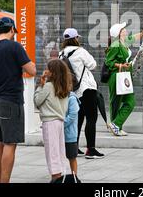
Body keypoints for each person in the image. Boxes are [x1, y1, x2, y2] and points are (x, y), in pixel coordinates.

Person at [0, 17, 36, 183]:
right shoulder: (14, 47)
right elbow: (31, 70)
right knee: (10, 143)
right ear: (11, 30)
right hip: (11, 100)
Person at [59, 28, 104, 159]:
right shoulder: (80, 51)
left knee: (77, 120)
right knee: (91, 118)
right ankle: (91, 150)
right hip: (86, 89)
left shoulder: (62, 54)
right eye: (77, 37)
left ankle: (74, 147)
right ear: (75, 38)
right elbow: (93, 65)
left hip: (73, 91)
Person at [34, 59, 70, 182]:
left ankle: (55, 177)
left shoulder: (48, 86)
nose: (46, 70)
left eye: (48, 69)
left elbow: (37, 101)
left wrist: (40, 85)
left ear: (53, 72)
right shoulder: (64, 86)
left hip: (49, 121)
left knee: (51, 150)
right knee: (59, 150)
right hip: (59, 121)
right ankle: (60, 174)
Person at [105, 22, 142, 137]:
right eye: (123, 29)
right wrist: (121, 65)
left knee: (130, 102)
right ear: (119, 33)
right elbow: (108, 62)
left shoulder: (123, 42)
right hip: (116, 75)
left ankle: (116, 124)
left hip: (124, 76)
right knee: (115, 103)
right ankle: (117, 127)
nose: (126, 30)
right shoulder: (116, 44)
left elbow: (133, 37)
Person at [64, 90, 81, 176]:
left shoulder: (72, 99)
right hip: (59, 134)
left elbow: (72, 116)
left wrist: (60, 125)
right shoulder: (58, 96)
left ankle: (74, 177)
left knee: (72, 157)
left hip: (70, 135)